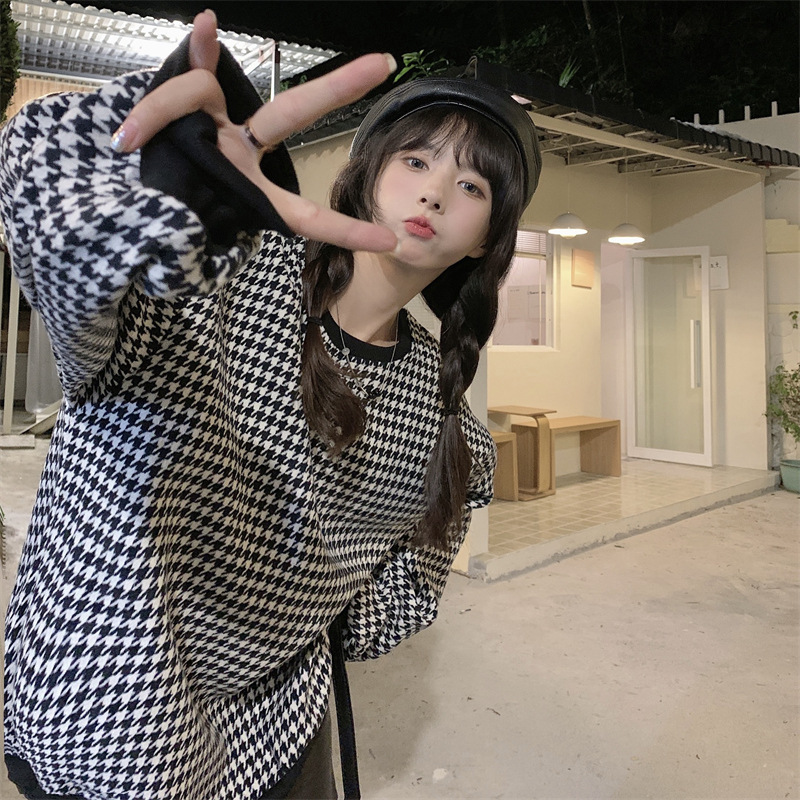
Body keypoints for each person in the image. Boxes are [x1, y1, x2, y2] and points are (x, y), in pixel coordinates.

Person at [0, 10, 541, 800]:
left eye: (471, 185)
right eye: (416, 159)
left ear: (486, 239)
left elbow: (404, 589)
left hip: (277, 737)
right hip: (104, 720)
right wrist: (150, 188)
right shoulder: (226, 269)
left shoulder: (441, 405)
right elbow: (76, 299)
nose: (433, 190)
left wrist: (302, 614)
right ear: (366, 173)